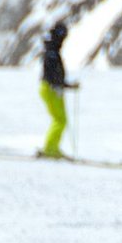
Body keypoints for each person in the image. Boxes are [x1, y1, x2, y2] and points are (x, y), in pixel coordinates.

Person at [38, 21, 79, 159]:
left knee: (60, 119)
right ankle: (50, 148)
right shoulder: (52, 52)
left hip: (51, 89)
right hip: (50, 89)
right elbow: (52, 75)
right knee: (60, 120)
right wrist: (62, 85)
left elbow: (54, 76)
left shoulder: (52, 50)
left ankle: (52, 147)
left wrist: (66, 85)